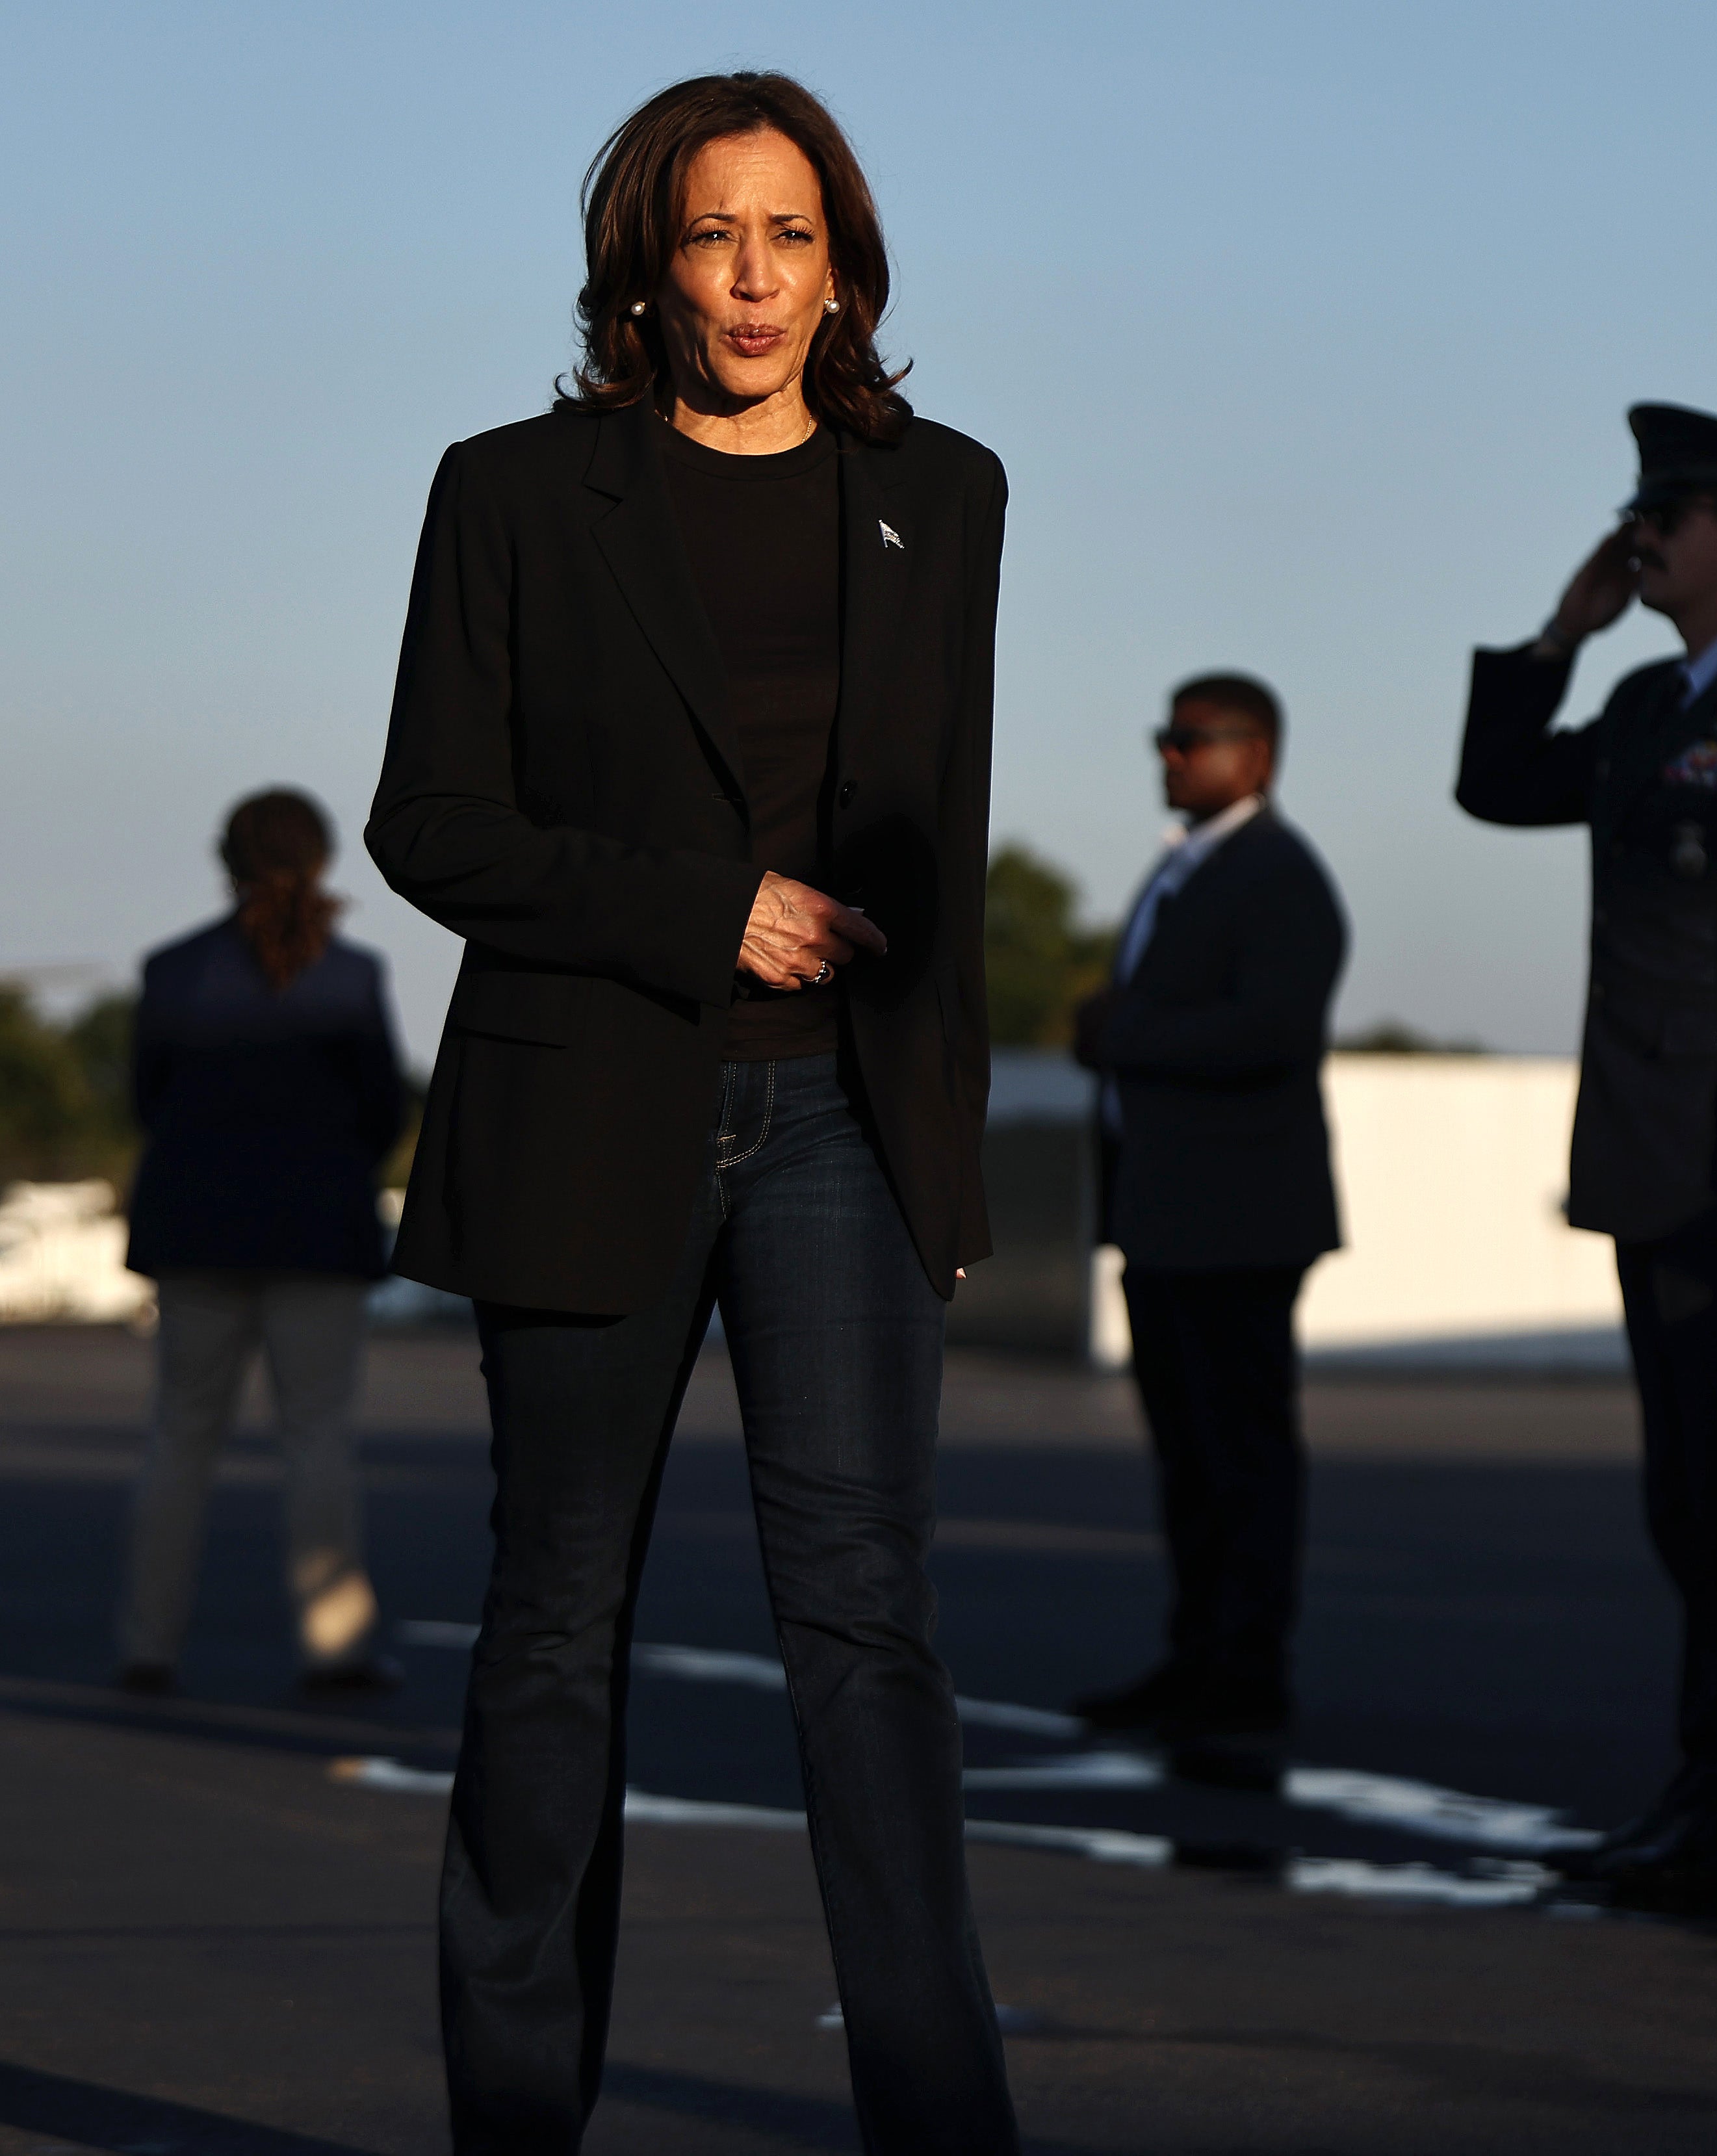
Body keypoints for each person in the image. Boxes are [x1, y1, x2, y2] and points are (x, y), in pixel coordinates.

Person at [365, 73, 1016, 2151]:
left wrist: (941, 1147)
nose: (754, 278)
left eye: (793, 236)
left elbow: (941, 847)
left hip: (841, 1131)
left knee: (869, 1637)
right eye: (716, 233)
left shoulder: (949, 492)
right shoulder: (514, 492)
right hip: (587, 1117)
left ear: (844, 264)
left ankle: (940, 2119)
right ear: (646, 253)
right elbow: (429, 820)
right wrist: (701, 906)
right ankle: (518, 2121)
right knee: (555, 1630)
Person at [1455, 404, 1717, 1923]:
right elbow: (1496, 784)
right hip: (1653, 1165)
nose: (1641, 534)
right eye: (1638, 510)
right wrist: (1556, 635)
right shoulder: (1646, 700)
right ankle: (1701, 1790)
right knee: (1687, 1505)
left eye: (1670, 513)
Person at [1067, 673, 1346, 1782]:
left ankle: (1244, 1670)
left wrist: (1124, 1031)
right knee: (1190, 1456)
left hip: (1239, 1217)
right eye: (1166, 738)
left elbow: (1272, 1028)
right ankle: (1196, 1657)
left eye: (1191, 740)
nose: (1169, 758)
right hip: (1169, 1214)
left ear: (1257, 755)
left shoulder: (1277, 873)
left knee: (1240, 1453)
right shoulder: (1190, 866)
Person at [116, 788, 406, 1699]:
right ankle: (335, 1647)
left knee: (180, 1440)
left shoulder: (172, 971)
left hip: (195, 1230)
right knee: (318, 1441)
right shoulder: (352, 976)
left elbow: (146, 1102)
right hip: (316, 1233)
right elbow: (382, 1111)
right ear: (320, 859)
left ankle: (147, 1645)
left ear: (227, 860)